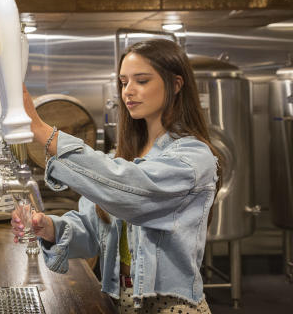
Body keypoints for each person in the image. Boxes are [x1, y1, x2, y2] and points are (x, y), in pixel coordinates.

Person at [12, 39, 220, 313]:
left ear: (176, 85)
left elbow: (131, 193)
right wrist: (49, 228)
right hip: (119, 300)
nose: (128, 92)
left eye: (142, 81)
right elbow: (94, 232)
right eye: (123, 82)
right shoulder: (121, 157)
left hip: (172, 307)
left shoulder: (192, 157)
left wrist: (41, 130)